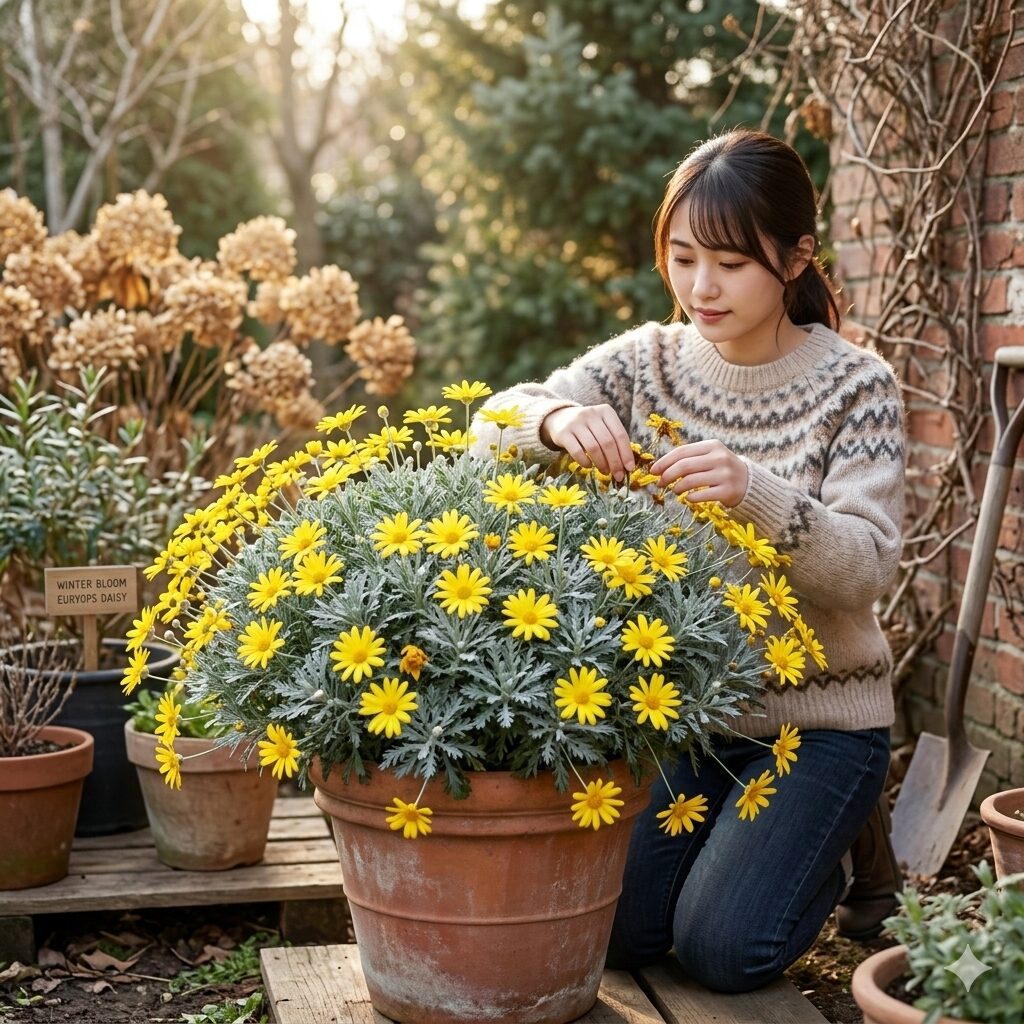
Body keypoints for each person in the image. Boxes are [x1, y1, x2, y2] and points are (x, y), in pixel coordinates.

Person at [470, 128, 905, 993]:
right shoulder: (647, 365)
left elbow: (866, 565)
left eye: (731, 264)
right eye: (682, 257)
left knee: (721, 951)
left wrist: (755, 492)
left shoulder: (859, 385)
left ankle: (835, 847)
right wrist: (554, 422)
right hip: (685, 721)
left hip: (820, 724)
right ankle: (758, 850)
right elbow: (486, 427)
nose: (701, 287)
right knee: (617, 933)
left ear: (795, 259)